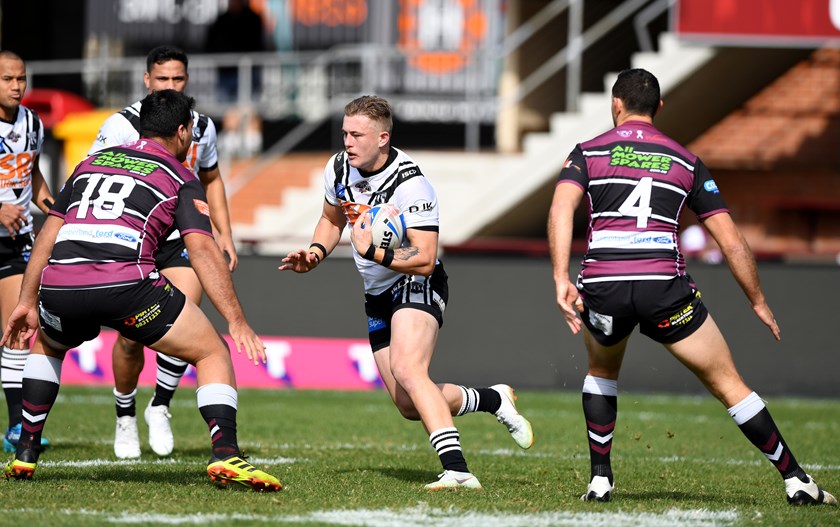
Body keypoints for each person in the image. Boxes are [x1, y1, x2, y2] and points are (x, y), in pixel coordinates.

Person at [547, 68, 836, 506]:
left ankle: (601, 480)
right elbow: (732, 241)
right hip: (664, 289)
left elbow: (560, 208)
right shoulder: (685, 161)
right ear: (659, 108)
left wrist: (560, 277)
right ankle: (795, 479)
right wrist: (757, 301)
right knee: (728, 384)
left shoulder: (587, 152)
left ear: (615, 104)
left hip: (603, 285)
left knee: (602, 371)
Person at [2, 89, 281, 491]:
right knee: (211, 351)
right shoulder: (181, 175)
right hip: (126, 286)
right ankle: (226, 454)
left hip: (62, 284)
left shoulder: (90, 162)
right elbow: (202, 249)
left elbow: (48, 234)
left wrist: (28, 301)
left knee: (48, 346)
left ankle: (25, 452)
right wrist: (237, 321)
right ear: (183, 132)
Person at [279, 95, 534, 490]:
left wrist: (373, 251)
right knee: (407, 403)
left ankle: (458, 471)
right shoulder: (338, 168)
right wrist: (314, 253)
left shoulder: (411, 183)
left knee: (409, 369)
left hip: (418, 280)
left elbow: (426, 257)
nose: (347, 141)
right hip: (377, 291)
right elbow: (331, 220)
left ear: (382, 137)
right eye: (345, 132)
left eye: (357, 135)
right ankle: (491, 399)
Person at [89, 45, 237, 459]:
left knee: (186, 313)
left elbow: (212, 179)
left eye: (178, 79)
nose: (170, 86)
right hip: (133, 239)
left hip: (180, 238)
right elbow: (91, 175)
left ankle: (161, 406)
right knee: (132, 339)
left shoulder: (200, 125)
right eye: (163, 79)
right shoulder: (121, 126)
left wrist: (224, 233)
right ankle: (124, 415)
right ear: (146, 81)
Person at [0, 50, 54, 454]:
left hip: (16, 241)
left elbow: (31, 172)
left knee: (18, 330)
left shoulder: (33, 123)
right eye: (7, 79)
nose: (17, 86)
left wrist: (53, 208)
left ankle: (17, 426)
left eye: (21, 78)